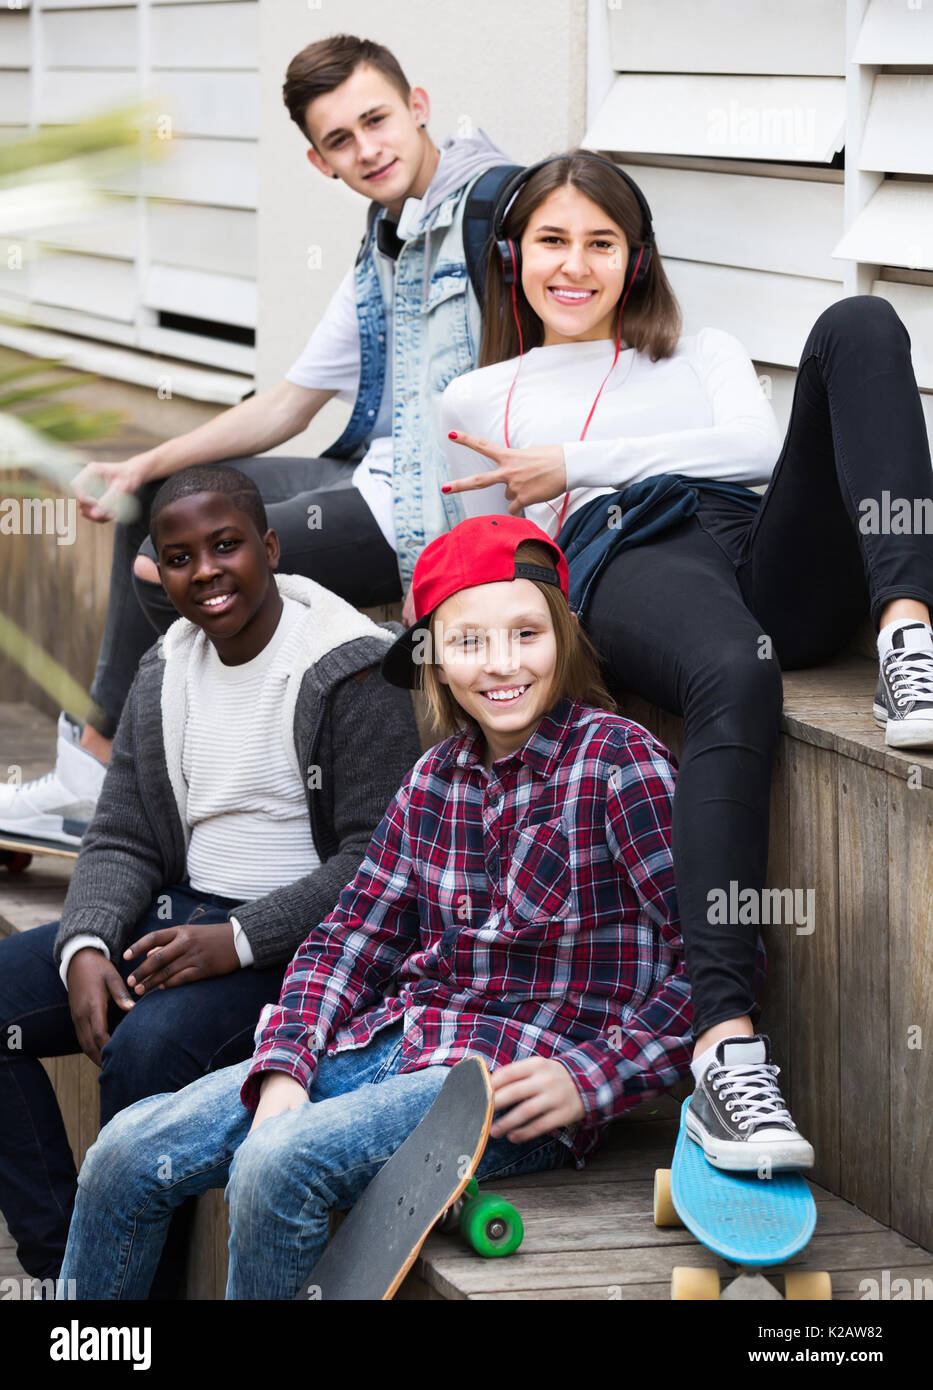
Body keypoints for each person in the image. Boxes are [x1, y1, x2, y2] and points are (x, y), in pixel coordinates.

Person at [57, 514, 702, 1300]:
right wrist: (288, 1064)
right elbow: (343, 942)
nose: (502, 664)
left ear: (563, 640)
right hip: (385, 1045)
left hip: (505, 1085)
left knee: (276, 1165)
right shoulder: (433, 779)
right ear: (433, 659)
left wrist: (593, 1077)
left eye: (526, 635)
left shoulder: (618, 762)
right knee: (122, 1151)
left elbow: (714, 964)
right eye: (469, 642)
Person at [440, 150, 933, 1170]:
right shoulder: (480, 395)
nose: (575, 266)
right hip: (627, 553)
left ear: (637, 258)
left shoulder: (701, 348)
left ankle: (906, 635)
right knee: (736, 670)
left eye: (601, 243)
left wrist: (569, 464)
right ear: (511, 255)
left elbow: (752, 450)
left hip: (754, 540)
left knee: (863, 322)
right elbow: (489, 566)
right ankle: (723, 1048)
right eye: (551, 241)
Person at [0, 32, 512, 845]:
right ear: (319, 163)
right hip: (373, 480)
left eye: (376, 120)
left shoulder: (494, 213)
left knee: (188, 568)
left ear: (418, 110)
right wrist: (143, 462)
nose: (366, 148)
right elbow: (287, 402)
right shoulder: (382, 238)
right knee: (166, 499)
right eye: (339, 139)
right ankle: (96, 773)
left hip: (424, 516)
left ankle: (154, 798)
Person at [0, 464, 423, 1292]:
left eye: (226, 546)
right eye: (180, 556)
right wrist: (86, 942)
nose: (206, 573)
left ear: (268, 546)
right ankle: (67, 1270)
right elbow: (122, 832)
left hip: (304, 954)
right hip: (181, 917)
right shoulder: (167, 666)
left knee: (146, 1051)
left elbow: (376, 862)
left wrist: (235, 941)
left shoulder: (352, 669)